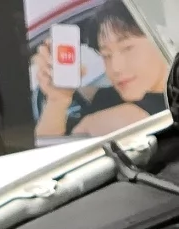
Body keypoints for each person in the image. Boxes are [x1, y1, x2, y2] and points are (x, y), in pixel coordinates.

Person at [33, 2, 170, 138]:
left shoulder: (126, 119)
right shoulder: (174, 96)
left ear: (162, 38)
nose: (116, 68)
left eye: (127, 48)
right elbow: (89, 93)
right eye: (106, 55)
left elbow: (47, 151)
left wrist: (57, 102)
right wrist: (62, 89)